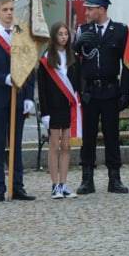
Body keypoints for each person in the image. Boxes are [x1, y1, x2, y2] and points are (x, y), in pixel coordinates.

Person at [74, 0, 129, 195]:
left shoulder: (120, 31)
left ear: (102, 9)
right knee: (88, 137)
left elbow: (127, 64)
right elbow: (75, 64)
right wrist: (76, 48)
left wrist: (125, 92)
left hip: (110, 90)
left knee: (111, 136)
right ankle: (87, 179)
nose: (87, 12)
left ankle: (114, 179)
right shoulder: (82, 30)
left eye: (91, 8)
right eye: (87, 8)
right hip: (90, 91)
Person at [0, 0, 36, 202]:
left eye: (12, 9)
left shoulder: (22, 35)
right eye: (5, 10)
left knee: (17, 144)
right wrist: (5, 78)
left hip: (19, 96)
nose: (9, 13)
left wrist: (29, 95)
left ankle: (18, 185)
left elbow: (30, 66)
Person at [38, 22, 81, 199]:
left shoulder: (73, 57)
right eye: (60, 34)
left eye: (66, 34)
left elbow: (77, 83)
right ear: (54, 36)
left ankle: (63, 184)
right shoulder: (46, 59)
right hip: (53, 108)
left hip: (68, 107)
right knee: (54, 146)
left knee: (66, 146)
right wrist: (45, 113)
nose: (64, 37)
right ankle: (54, 185)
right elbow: (42, 88)